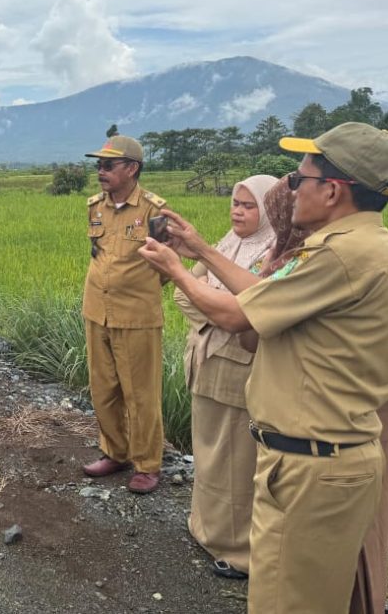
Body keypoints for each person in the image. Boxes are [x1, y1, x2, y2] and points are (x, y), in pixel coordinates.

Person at [138, 122, 388, 613]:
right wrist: (204, 250)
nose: (290, 190)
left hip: (313, 466)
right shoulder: (357, 247)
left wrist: (173, 270)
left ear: (333, 191)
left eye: (299, 180)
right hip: (317, 457)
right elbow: (261, 294)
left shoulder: (339, 255)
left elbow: (237, 314)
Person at [173, 174, 278, 579]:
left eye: (249, 205)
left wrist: (227, 316)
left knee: (238, 459)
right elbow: (184, 290)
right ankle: (205, 529)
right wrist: (223, 316)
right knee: (208, 453)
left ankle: (239, 552)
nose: (237, 211)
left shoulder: (273, 252)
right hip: (206, 358)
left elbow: (249, 313)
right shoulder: (225, 244)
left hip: (240, 370)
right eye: (235, 203)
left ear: (268, 211)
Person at [81, 135, 168, 494]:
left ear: (131, 169)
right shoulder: (95, 206)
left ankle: (147, 464)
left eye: (108, 165)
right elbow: (96, 253)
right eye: (98, 165)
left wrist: (134, 290)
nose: (100, 172)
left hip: (136, 316)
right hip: (97, 311)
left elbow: (167, 264)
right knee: (103, 388)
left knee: (141, 393)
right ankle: (115, 452)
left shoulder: (153, 211)